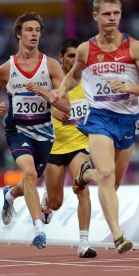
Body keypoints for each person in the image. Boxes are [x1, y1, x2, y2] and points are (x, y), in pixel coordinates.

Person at [50, 0, 139, 254]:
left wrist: (128, 86)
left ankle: (83, 174)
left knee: (113, 184)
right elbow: (74, 77)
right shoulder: (87, 49)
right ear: (95, 16)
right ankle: (118, 236)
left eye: (116, 14)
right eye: (107, 14)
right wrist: (60, 91)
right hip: (99, 117)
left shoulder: (134, 47)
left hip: (128, 120)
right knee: (106, 176)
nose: (112, 19)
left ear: (120, 16)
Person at [0, 12, 70, 249]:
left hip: (44, 133)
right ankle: (38, 229)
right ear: (19, 35)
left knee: (31, 180)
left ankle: (9, 195)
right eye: (29, 30)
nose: (34, 34)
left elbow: (67, 107)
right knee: (30, 174)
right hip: (17, 130)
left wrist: (44, 93)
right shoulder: (6, 68)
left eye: (37, 30)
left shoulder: (51, 65)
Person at [40, 38, 98, 258]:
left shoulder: (88, 80)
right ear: (61, 58)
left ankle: (84, 243)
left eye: (78, 55)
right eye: (70, 56)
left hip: (79, 145)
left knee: (82, 188)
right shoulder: (51, 81)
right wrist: (51, 111)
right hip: (54, 147)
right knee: (56, 202)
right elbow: (33, 108)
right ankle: (46, 200)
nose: (75, 60)